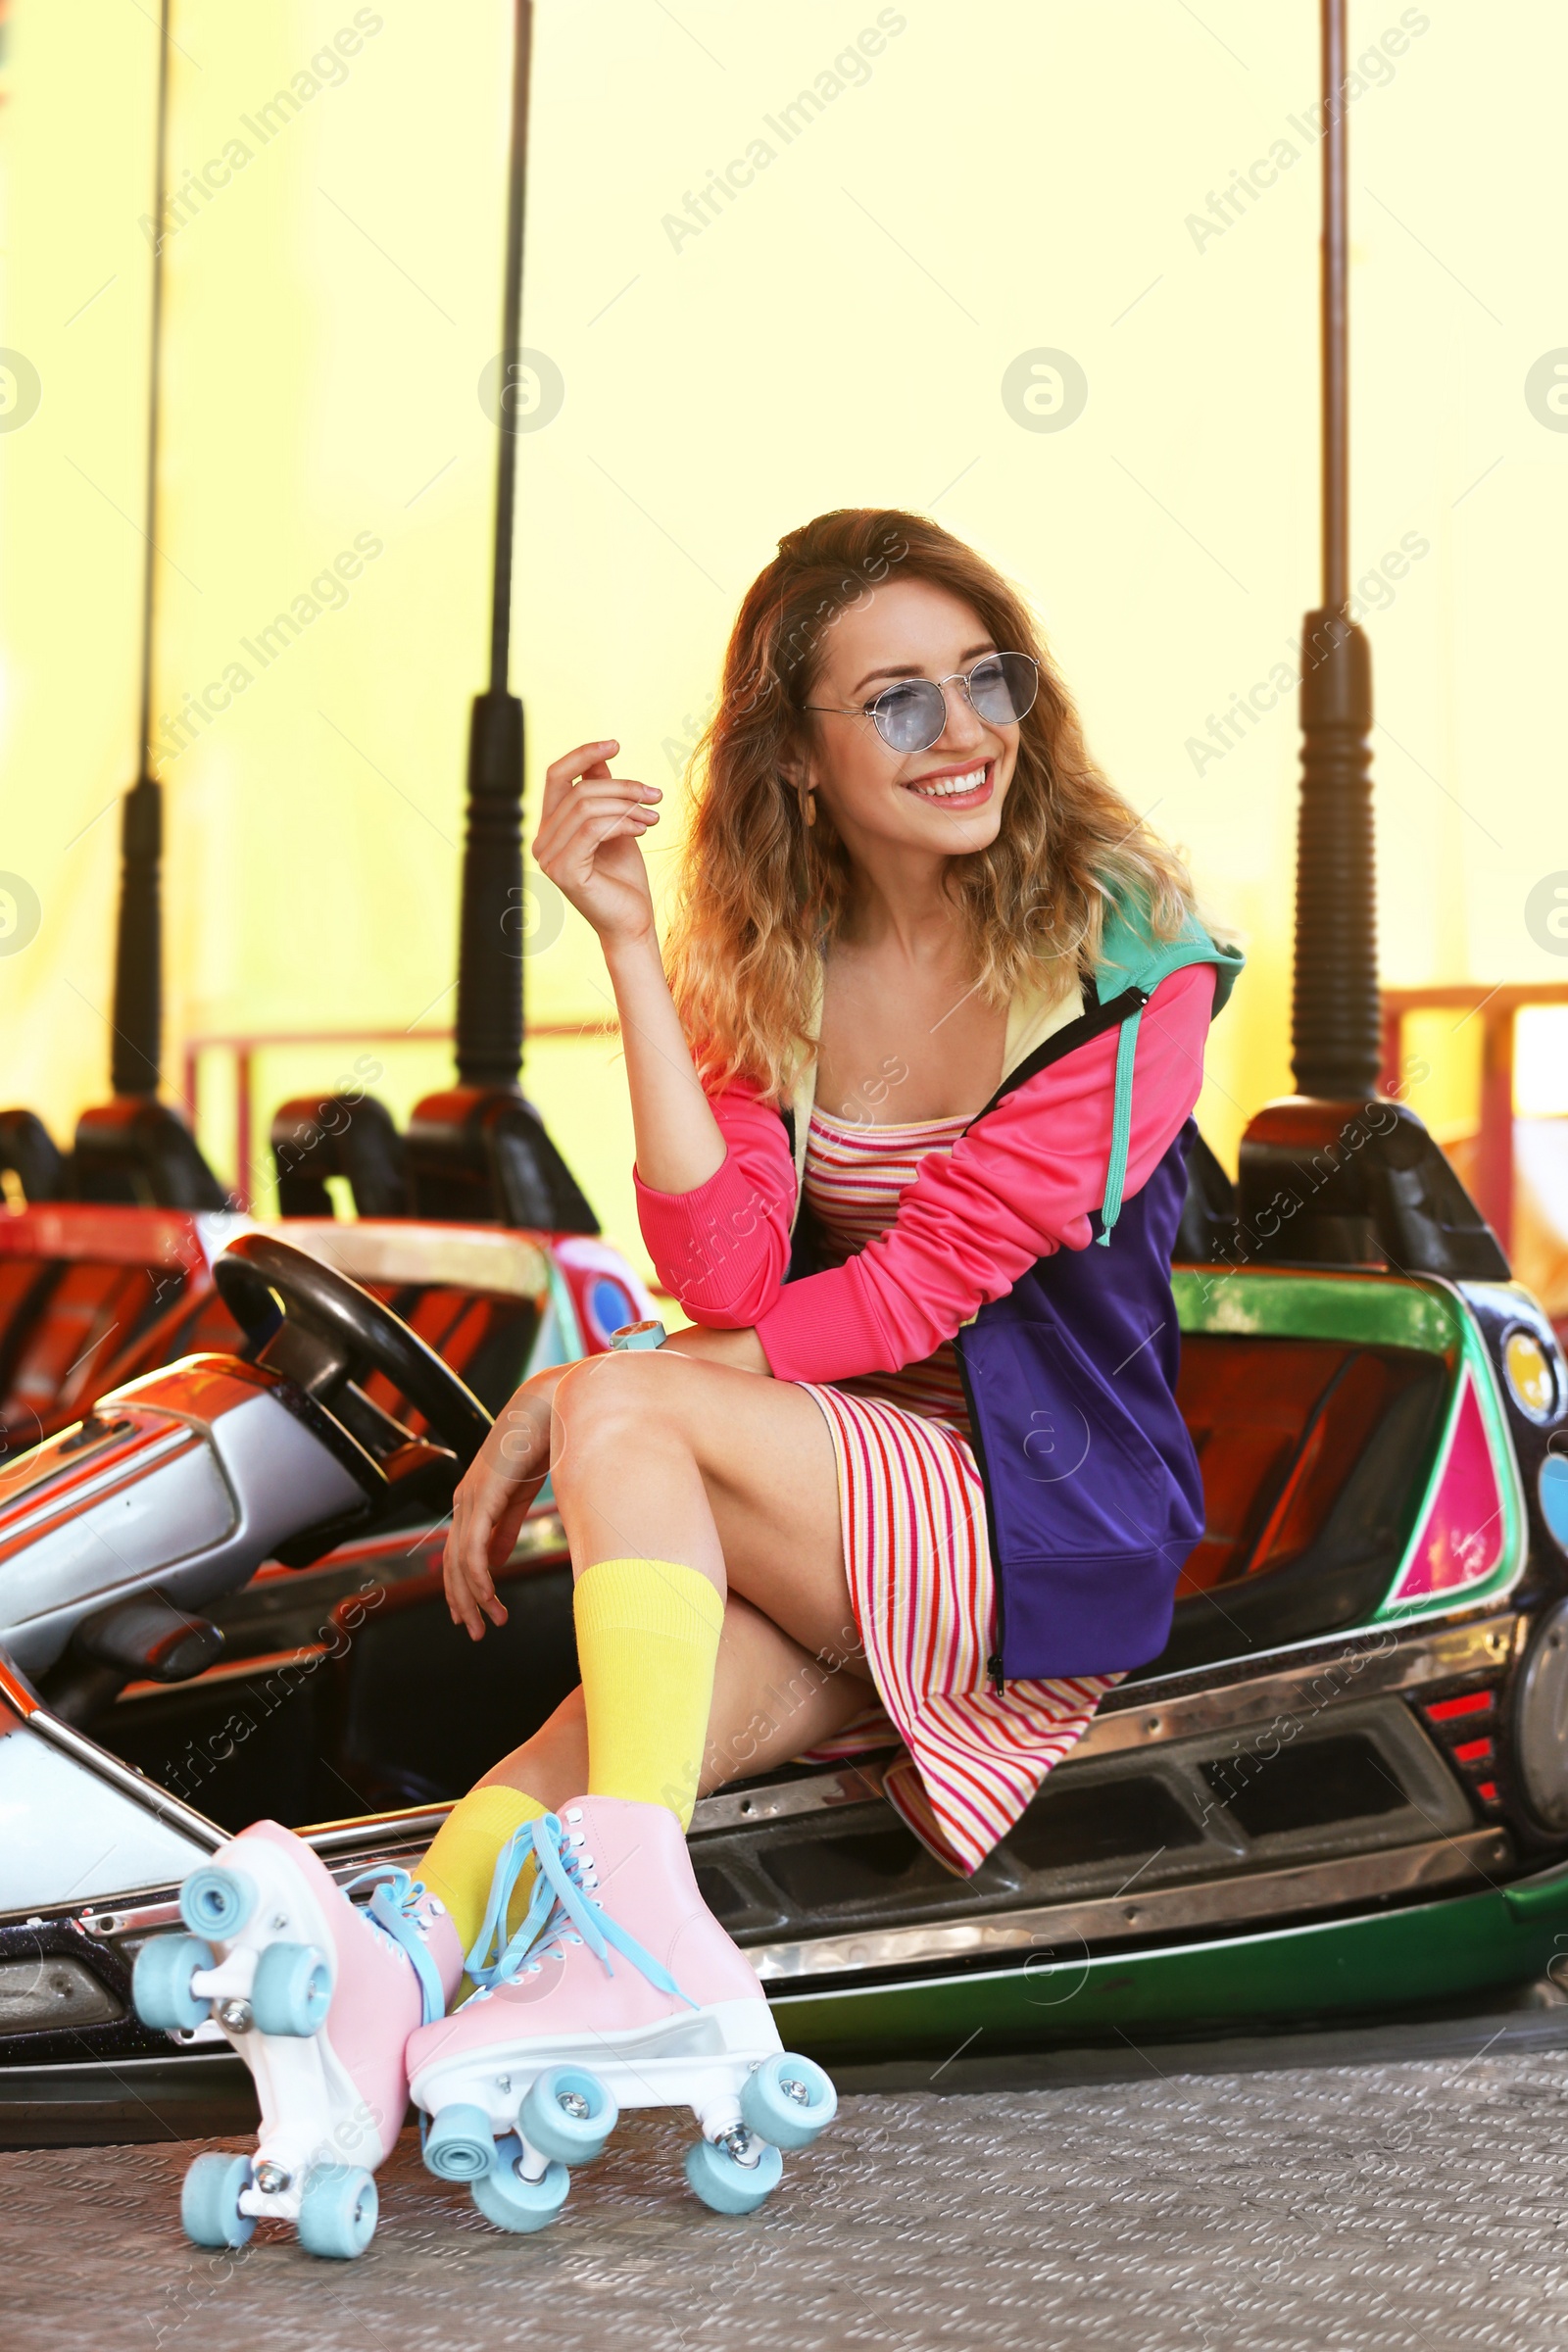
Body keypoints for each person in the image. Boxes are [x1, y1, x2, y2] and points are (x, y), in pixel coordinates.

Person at [154, 508, 1242, 2245]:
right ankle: (382, 2015)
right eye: (894, 701)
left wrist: (613, 1389)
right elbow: (725, 1267)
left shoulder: (1131, 951)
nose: (961, 733)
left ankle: (636, 1947)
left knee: (623, 1409)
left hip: (1040, 1517)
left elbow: (921, 1288)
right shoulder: (778, 956)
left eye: (988, 680)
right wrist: (629, 948)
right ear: (795, 758)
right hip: (835, 1491)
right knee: (586, 1754)